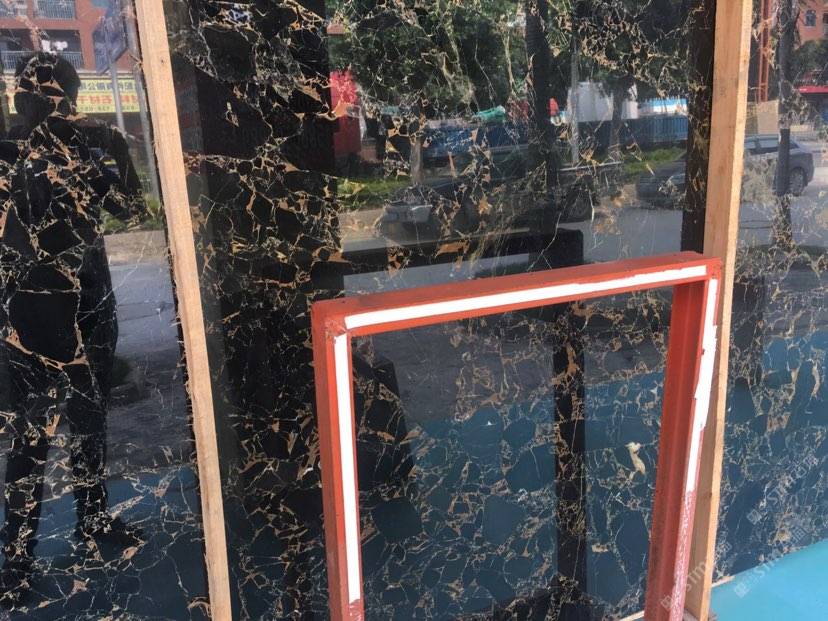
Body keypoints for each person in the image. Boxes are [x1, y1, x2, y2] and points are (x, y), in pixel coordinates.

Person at [0, 52, 144, 606]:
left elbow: (132, 208)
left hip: (79, 297)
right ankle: (18, 556)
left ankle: (88, 520)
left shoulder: (96, 141)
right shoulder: (12, 152)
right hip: (37, 308)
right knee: (34, 432)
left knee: (82, 420)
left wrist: (103, 162)